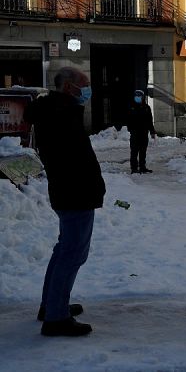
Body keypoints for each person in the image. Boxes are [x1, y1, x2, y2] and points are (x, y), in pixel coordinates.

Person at [23, 67, 105, 337]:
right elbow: (74, 158)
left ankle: (52, 306)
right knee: (72, 254)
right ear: (69, 87)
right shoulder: (62, 113)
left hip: (68, 191)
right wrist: (92, 185)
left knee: (64, 251)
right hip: (75, 193)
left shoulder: (54, 110)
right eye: (85, 84)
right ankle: (56, 317)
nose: (88, 90)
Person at [128, 89, 156, 174]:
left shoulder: (146, 108)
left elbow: (149, 121)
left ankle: (142, 167)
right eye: (136, 96)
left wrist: (152, 131)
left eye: (139, 96)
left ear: (142, 97)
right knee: (134, 151)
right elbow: (128, 120)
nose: (137, 98)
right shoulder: (131, 107)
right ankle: (134, 168)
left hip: (144, 133)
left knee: (143, 151)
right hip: (135, 133)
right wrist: (131, 129)